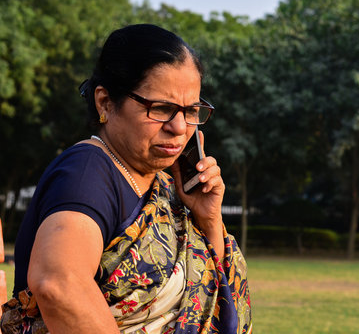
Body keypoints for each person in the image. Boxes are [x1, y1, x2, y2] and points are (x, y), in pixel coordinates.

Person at [1, 24, 252, 334]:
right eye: (161, 108)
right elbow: (59, 284)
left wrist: (208, 219)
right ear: (105, 102)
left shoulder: (164, 186)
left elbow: (212, 294)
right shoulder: (88, 172)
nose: (179, 127)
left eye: (191, 111)